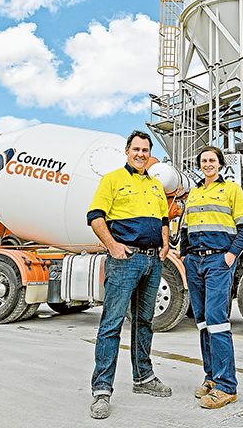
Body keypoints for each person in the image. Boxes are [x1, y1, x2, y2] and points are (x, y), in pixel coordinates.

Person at [86, 130, 172, 420]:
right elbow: (95, 217)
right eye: (136, 149)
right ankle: (101, 390)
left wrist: (165, 243)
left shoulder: (156, 186)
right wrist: (113, 246)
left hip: (152, 261)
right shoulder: (112, 180)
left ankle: (143, 378)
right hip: (125, 261)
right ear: (127, 151)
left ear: (150, 154)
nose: (140, 154)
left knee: (144, 322)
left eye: (145, 150)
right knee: (111, 324)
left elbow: (163, 220)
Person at [179, 146, 243, 409]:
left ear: (220, 164)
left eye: (212, 160)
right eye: (203, 160)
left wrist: (230, 256)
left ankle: (226, 386)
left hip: (217, 261)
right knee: (202, 322)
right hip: (194, 261)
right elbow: (185, 227)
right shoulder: (194, 192)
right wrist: (184, 255)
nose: (207, 164)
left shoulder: (232, 190)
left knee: (217, 321)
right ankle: (211, 377)